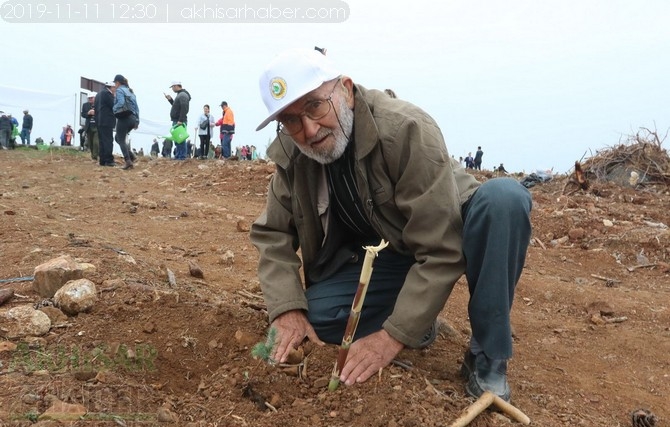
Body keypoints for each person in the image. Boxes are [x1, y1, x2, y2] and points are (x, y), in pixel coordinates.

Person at [249, 49, 532, 402]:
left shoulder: (405, 129)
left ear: (346, 91)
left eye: (314, 107)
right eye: (290, 120)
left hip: (442, 233)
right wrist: (288, 308)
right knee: (317, 320)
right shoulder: (294, 153)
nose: (307, 129)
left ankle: (487, 355)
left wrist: (392, 337)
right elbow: (273, 233)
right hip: (387, 254)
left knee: (504, 200)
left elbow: (441, 247)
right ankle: (418, 321)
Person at [112, 74, 140, 170]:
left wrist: (113, 109)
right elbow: (137, 108)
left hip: (124, 117)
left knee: (120, 138)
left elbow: (121, 103)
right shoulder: (131, 92)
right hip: (132, 119)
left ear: (118, 83)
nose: (114, 85)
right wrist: (137, 121)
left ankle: (128, 161)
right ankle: (131, 155)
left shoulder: (119, 90)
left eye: (115, 83)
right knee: (118, 137)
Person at [165, 81, 191, 160]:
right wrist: (170, 100)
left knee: (181, 139)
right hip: (177, 120)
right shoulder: (180, 95)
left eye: (172, 87)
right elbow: (177, 107)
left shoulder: (182, 95)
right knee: (177, 139)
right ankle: (178, 156)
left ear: (176, 86)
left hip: (179, 121)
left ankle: (182, 157)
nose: (172, 89)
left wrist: (181, 120)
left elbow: (184, 108)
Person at [95, 82, 117, 166]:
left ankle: (102, 160)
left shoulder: (98, 94)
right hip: (107, 120)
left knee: (102, 141)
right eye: (115, 88)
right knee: (108, 140)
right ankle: (109, 160)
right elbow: (113, 106)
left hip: (99, 121)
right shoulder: (107, 94)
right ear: (111, 87)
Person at [81, 92, 98, 161]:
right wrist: (88, 113)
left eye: (91, 98)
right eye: (89, 98)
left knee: (96, 142)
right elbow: (83, 114)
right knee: (90, 142)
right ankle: (93, 156)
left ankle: (95, 156)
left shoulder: (99, 105)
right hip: (89, 126)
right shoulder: (85, 105)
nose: (90, 99)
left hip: (97, 126)